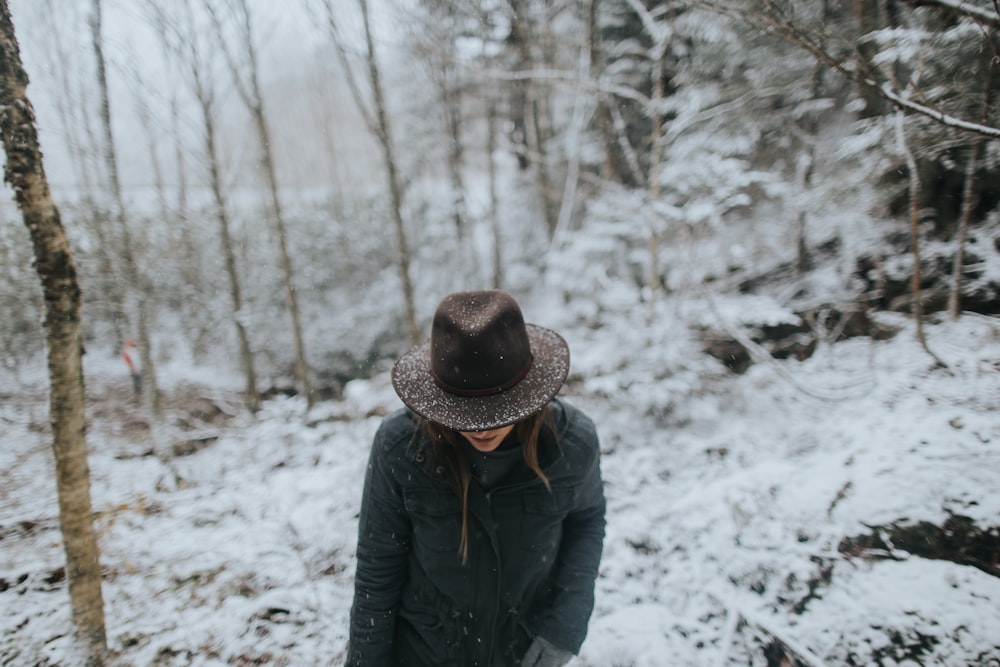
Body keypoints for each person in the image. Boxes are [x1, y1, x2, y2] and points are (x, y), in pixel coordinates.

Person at [347, 290, 606, 667]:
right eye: (465, 410)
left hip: (521, 651)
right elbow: (377, 565)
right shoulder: (399, 445)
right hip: (423, 651)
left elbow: (586, 521)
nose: (483, 427)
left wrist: (565, 626)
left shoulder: (573, 443)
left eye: (498, 409)